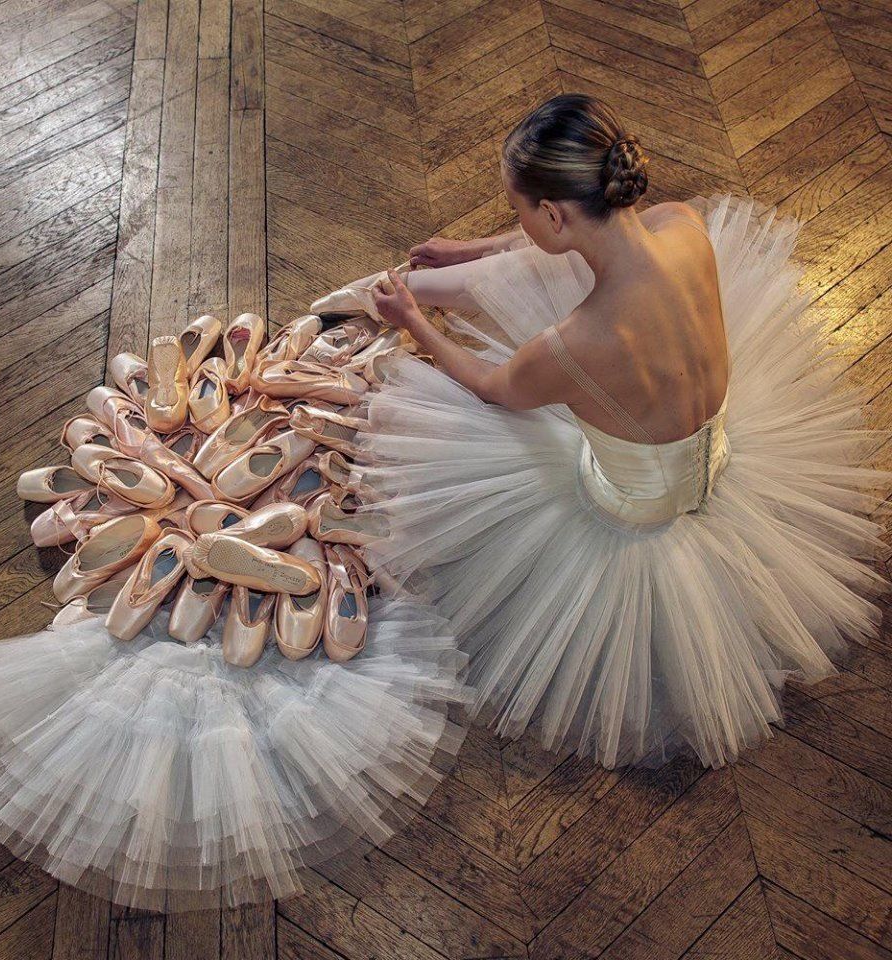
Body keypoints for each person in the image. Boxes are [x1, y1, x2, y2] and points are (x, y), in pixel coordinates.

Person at [319, 93, 892, 770]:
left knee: (462, 426)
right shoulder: (684, 227)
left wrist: (412, 318)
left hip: (632, 505)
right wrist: (473, 249)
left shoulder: (576, 343)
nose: (518, 223)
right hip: (718, 452)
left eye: (519, 210)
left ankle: (408, 302)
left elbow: (494, 389)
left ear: (554, 214)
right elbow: (567, 247)